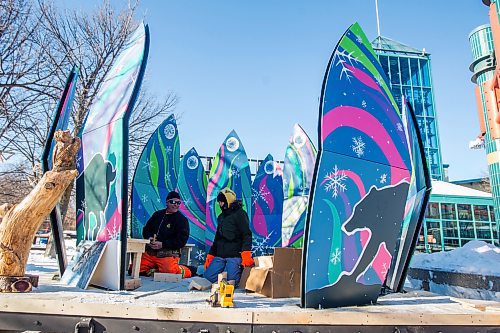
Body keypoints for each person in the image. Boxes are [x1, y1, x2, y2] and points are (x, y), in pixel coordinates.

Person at [203, 188, 254, 285]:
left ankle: (238, 270)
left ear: (228, 201)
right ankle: (223, 270)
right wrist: (211, 255)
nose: (220, 204)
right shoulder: (221, 217)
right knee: (208, 278)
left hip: (234, 255)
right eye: (219, 202)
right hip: (220, 255)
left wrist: (246, 252)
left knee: (231, 281)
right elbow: (217, 238)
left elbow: (246, 234)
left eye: (222, 201)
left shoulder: (240, 214)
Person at [139, 191, 192, 278]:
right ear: (167, 202)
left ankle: (187, 270)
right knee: (135, 269)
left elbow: (181, 240)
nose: (176, 205)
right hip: (151, 252)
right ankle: (157, 269)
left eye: (178, 203)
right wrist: (149, 238)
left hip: (167, 253)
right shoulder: (157, 214)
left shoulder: (182, 220)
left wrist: (163, 244)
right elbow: (146, 229)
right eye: (173, 202)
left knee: (169, 273)